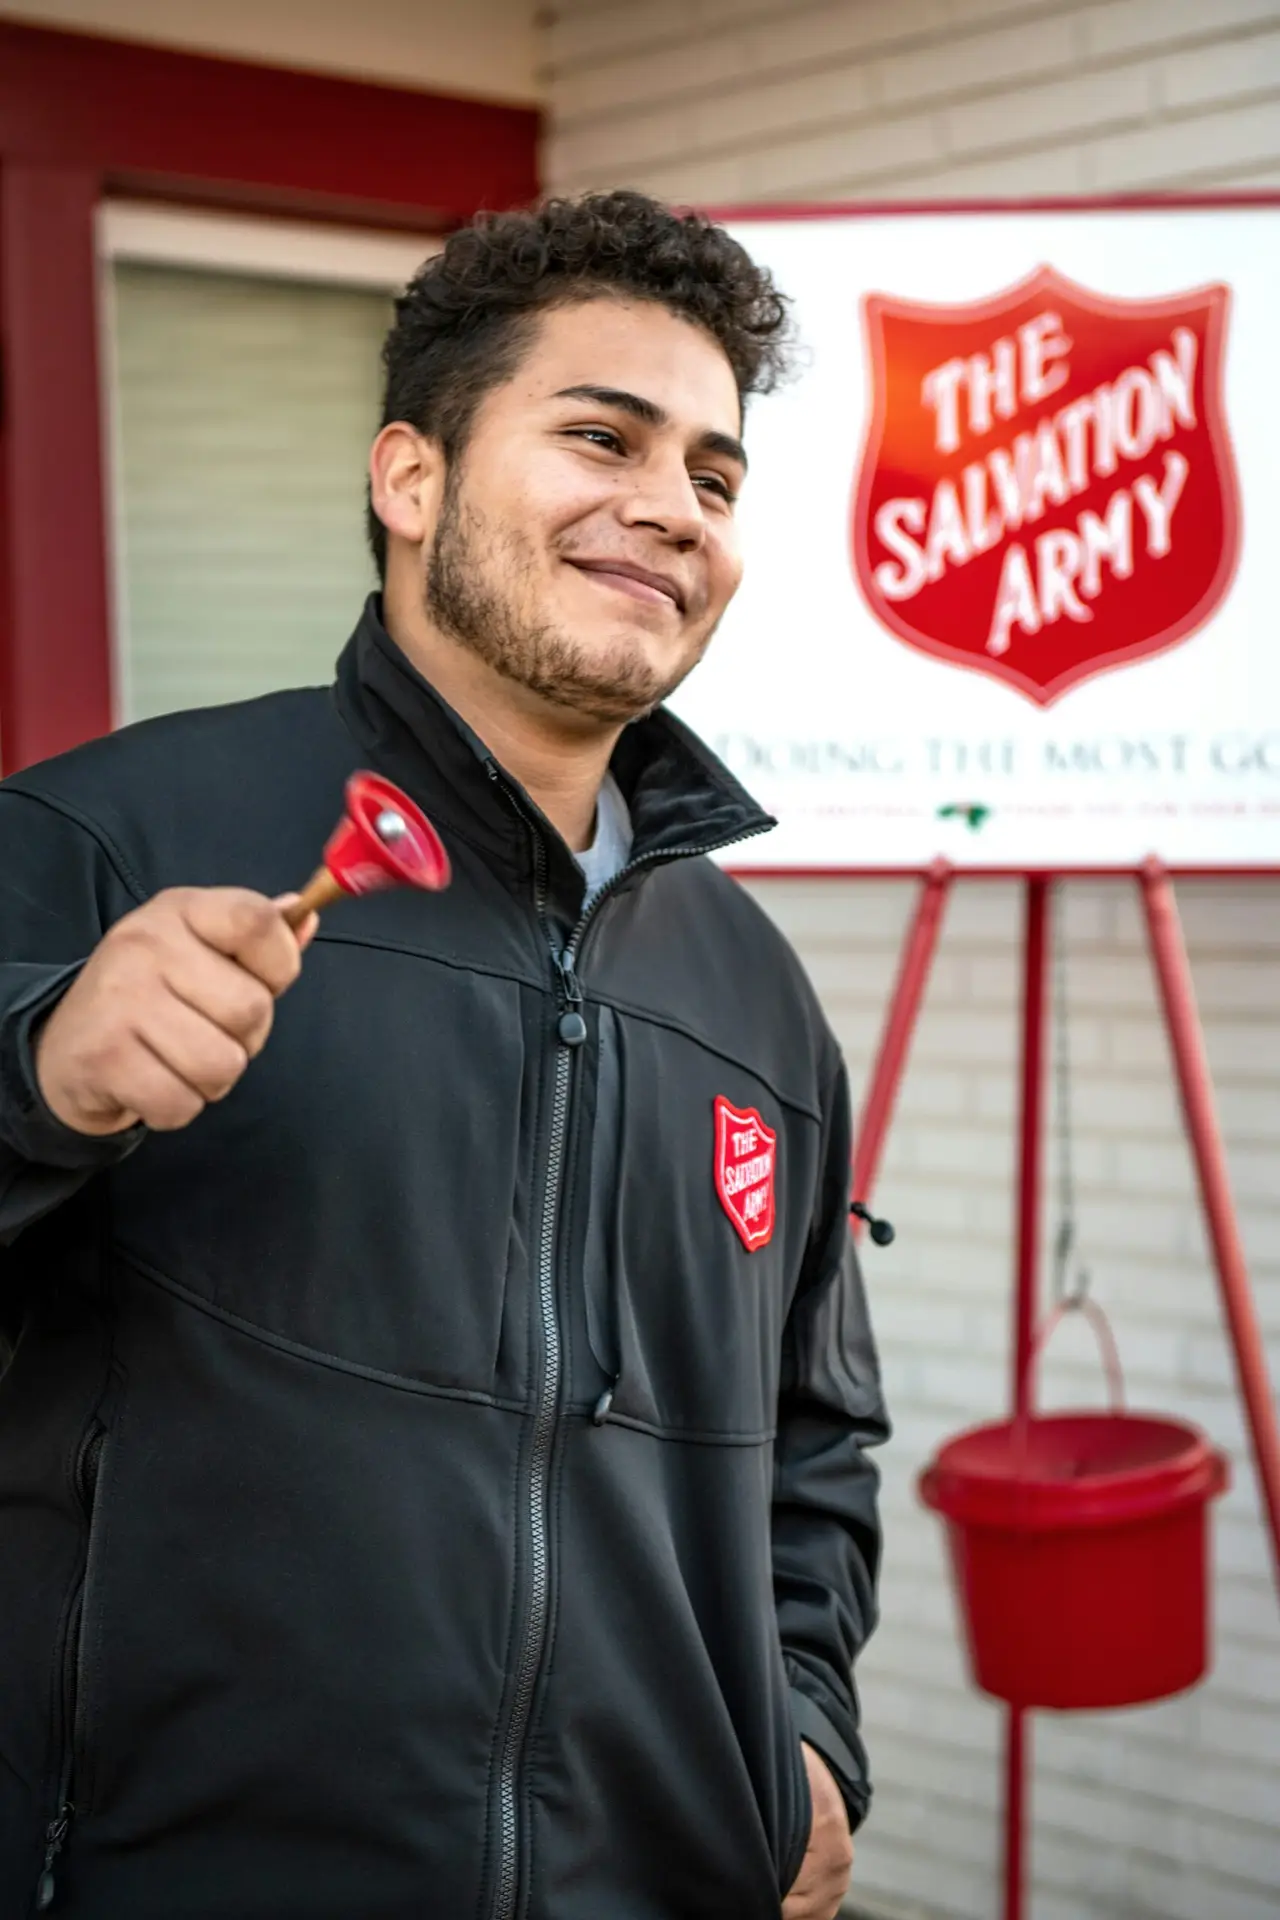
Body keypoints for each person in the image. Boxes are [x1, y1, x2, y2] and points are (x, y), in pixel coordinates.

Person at [0, 191, 888, 1920]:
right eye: (599, 437)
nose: (668, 507)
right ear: (411, 480)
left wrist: (805, 1736)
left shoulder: (756, 996)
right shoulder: (104, 842)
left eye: (713, 475)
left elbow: (817, 1437)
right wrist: (35, 1076)